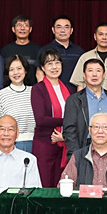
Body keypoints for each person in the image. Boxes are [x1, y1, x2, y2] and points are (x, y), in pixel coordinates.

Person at [31, 48, 72, 187]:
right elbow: (41, 120)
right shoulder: (38, 89)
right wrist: (66, 122)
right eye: (49, 63)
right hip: (45, 144)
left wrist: (64, 135)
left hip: (64, 144)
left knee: (62, 185)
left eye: (57, 63)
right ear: (42, 68)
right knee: (45, 185)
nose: (54, 67)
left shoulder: (68, 89)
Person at [63, 59, 107, 158]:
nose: (94, 74)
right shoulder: (74, 100)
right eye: (90, 70)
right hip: (84, 148)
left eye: (98, 71)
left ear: (104, 75)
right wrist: (77, 155)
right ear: (84, 75)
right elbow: (69, 131)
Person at [0, 55, 36, 153]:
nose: (16, 72)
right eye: (11, 69)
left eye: (19, 68)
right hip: (10, 146)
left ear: (25, 70)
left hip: (35, 145)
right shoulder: (1, 95)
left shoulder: (35, 92)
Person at [70, 22, 107, 91]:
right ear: (95, 36)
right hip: (90, 97)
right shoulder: (85, 57)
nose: (104, 37)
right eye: (100, 34)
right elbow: (80, 84)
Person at [38, 15, 84, 86]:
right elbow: (39, 73)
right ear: (53, 30)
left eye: (66, 27)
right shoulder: (45, 50)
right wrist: (44, 90)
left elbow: (82, 75)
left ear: (71, 30)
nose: (62, 30)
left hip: (74, 91)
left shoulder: (79, 51)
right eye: (59, 27)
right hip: (52, 90)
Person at [0, 14, 41, 86]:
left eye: (25, 25)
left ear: (30, 29)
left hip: (32, 89)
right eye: (19, 25)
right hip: (10, 89)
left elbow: (40, 73)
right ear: (13, 29)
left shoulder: (38, 50)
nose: (22, 28)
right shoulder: (5, 50)